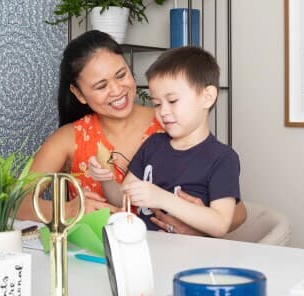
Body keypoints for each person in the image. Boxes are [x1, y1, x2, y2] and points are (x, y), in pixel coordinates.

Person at [90, 46, 244, 238]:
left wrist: (161, 198)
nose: (163, 111)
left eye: (172, 101)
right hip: (147, 249)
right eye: (157, 104)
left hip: (193, 258)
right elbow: (122, 198)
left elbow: (220, 223)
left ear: (207, 97)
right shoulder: (153, 145)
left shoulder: (222, 158)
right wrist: (105, 178)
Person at [16, 30, 163, 221]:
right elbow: (14, 203)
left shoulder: (167, 122)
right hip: (95, 251)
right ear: (79, 94)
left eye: (121, 75)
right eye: (101, 86)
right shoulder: (69, 138)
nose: (117, 90)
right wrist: (67, 210)